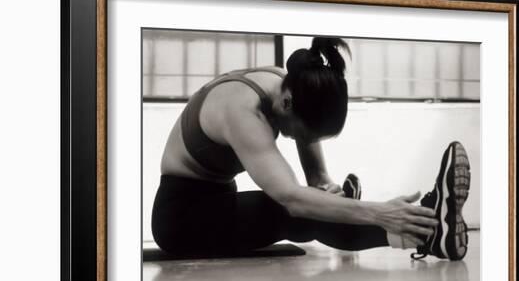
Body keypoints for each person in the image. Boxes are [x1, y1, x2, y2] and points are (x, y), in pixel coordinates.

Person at [151, 37, 470, 261]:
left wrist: (326, 191)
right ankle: (427, 232)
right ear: (287, 104)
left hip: (219, 200)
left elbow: (315, 177)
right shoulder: (240, 109)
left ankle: (424, 229)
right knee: (292, 212)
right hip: (182, 219)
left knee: (316, 204)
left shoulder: (292, 87)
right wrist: (379, 211)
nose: (297, 139)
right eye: (302, 133)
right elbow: (291, 198)